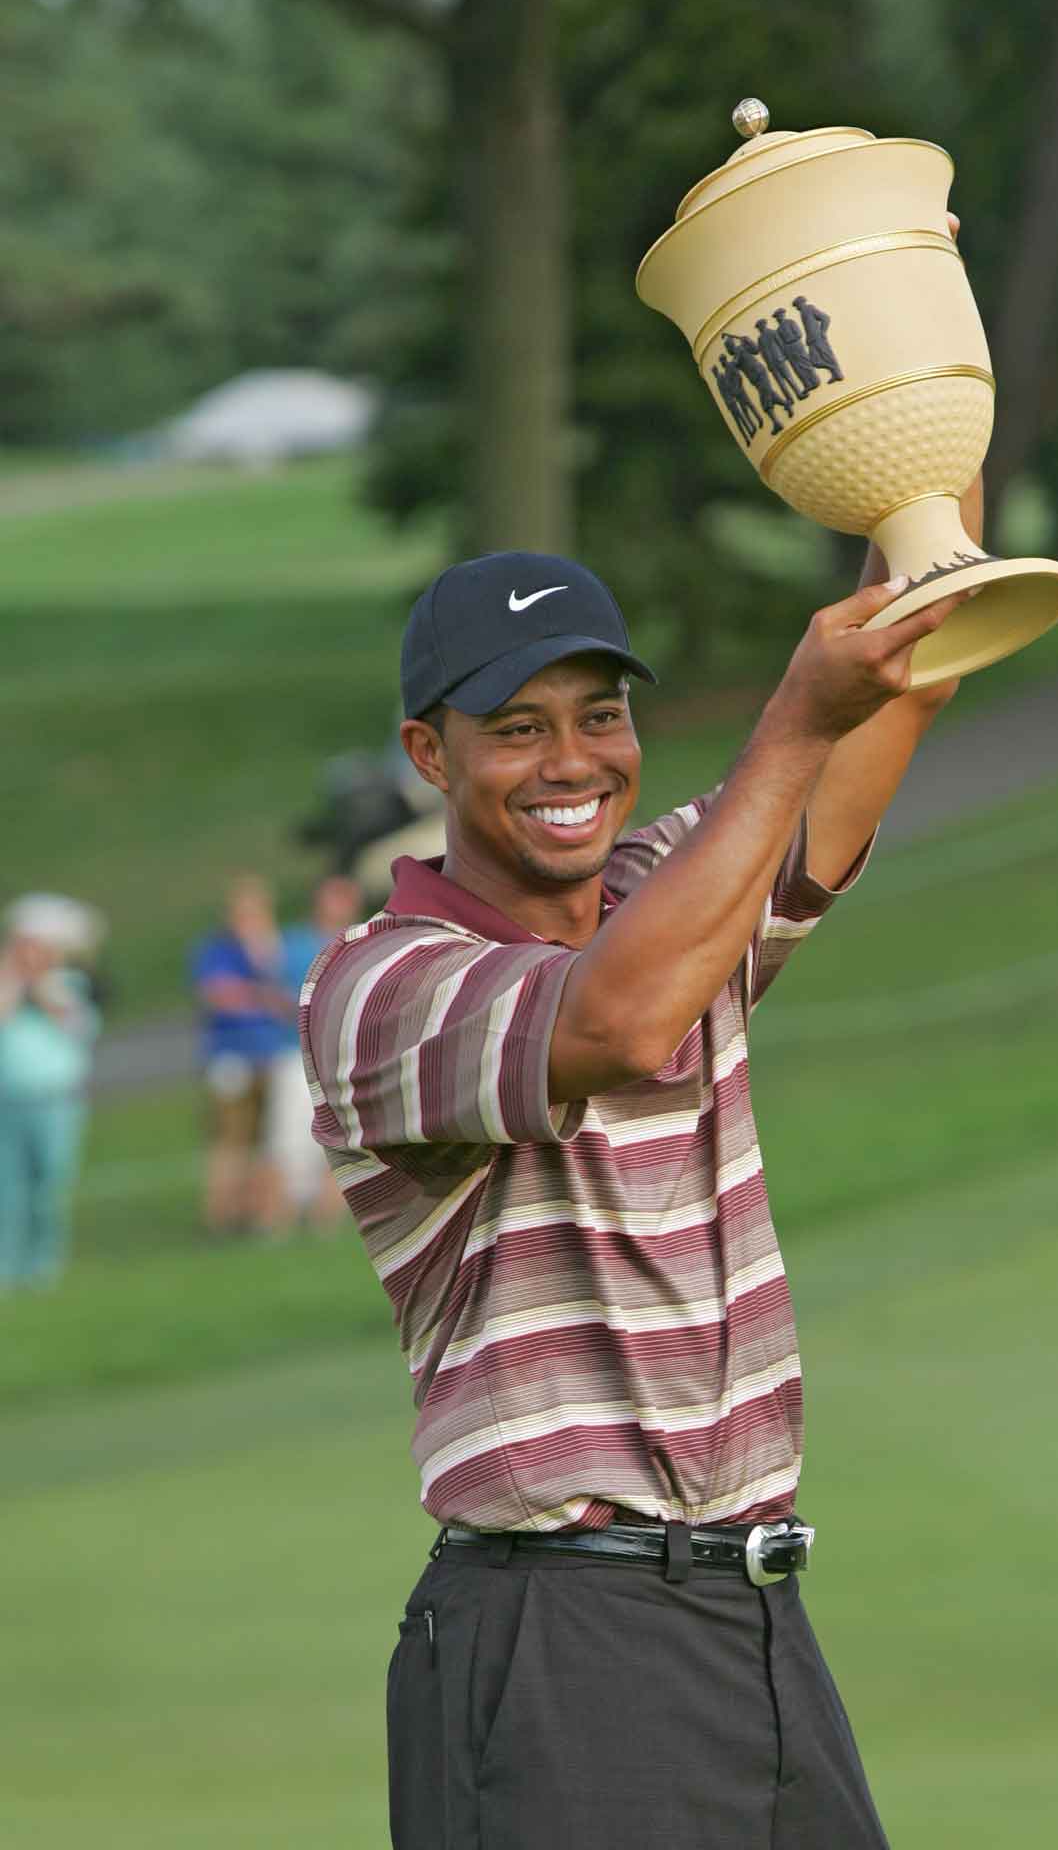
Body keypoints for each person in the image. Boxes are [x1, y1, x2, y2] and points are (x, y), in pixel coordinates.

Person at [300, 504, 981, 1849]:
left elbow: (900, 685)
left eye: (600, 715)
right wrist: (788, 723)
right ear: (427, 754)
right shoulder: (380, 986)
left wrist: (916, 460)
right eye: (518, 727)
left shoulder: (678, 894)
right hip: (559, 1635)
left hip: (754, 1613)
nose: (574, 761)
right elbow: (613, 1024)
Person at [0, 893, 104, 1289]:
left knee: (49, 1186)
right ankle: (8, 1266)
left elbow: (75, 1024)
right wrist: (12, 977)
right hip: (9, 1100)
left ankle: (44, 1265)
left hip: (57, 1101)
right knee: (8, 1190)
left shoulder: (67, 985)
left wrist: (39, 982)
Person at [190, 874, 290, 1235]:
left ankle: (258, 1211)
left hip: (270, 1052)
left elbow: (289, 990)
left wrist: (261, 955)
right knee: (230, 1140)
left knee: (269, 1139)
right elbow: (219, 995)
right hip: (230, 1056)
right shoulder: (215, 949)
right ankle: (222, 1214)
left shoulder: (273, 946)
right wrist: (263, 997)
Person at [265, 876, 361, 1228]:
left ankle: (326, 1223)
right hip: (297, 1056)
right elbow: (274, 994)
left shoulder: (360, 942)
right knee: (288, 1141)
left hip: (342, 1059)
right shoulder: (294, 944)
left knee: (343, 1142)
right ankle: (278, 1220)